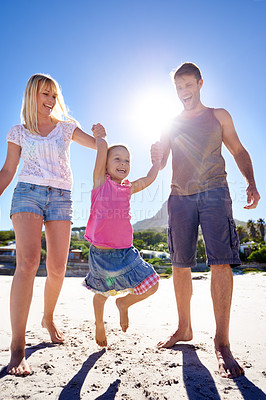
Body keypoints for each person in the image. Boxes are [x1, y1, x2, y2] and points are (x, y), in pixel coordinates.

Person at [156, 62, 260, 378]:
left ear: (200, 83)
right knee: (180, 263)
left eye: (188, 85)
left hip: (215, 191)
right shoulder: (169, 123)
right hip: (180, 196)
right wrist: (154, 155)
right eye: (179, 87)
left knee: (220, 262)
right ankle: (184, 327)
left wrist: (251, 181)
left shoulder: (219, 116)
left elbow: (239, 150)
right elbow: (160, 163)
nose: (184, 92)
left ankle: (222, 341)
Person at [0, 73, 106, 376]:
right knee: (28, 263)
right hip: (27, 194)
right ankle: (18, 347)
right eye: (45, 94)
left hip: (61, 197)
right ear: (32, 95)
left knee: (58, 268)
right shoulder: (17, 132)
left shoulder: (66, 128)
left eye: (53, 96)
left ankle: (47, 317)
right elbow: (8, 170)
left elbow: (99, 147)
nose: (50, 101)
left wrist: (101, 136)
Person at [82, 127, 162, 347]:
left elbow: (148, 179)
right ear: (106, 165)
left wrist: (156, 163)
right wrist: (101, 138)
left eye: (127, 161)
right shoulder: (100, 183)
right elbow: (101, 151)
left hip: (126, 255)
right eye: (117, 159)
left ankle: (124, 304)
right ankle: (99, 323)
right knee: (101, 293)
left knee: (153, 284)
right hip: (101, 256)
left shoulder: (128, 189)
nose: (123, 163)